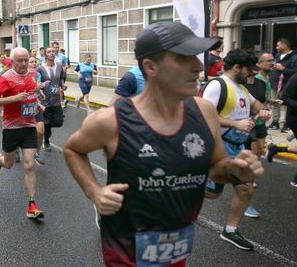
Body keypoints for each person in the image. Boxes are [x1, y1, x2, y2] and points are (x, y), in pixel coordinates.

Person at [63, 22, 264, 266]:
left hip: (178, 244)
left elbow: (216, 166)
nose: (199, 67)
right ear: (150, 67)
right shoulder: (111, 120)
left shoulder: (205, 111)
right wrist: (94, 191)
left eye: (196, 57)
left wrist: (234, 169)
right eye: (183, 58)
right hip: (126, 247)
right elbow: (73, 149)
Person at [202, 49, 271, 250]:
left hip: (237, 149)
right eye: (249, 70)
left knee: (246, 188)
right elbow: (204, 115)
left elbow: (255, 104)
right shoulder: (217, 85)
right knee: (211, 194)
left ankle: (230, 230)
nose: (252, 74)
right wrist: (236, 124)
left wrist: (263, 110)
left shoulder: (241, 88)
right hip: (218, 148)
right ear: (237, 67)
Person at [0, 47, 44, 219]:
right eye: (19, 61)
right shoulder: (6, 78)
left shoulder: (33, 73)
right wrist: (14, 98)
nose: (24, 63)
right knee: (9, 164)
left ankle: (31, 205)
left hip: (28, 126)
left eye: (26, 59)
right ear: (12, 61)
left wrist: (38, 104)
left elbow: (32, 93)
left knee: (29, 164)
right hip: (11, 128)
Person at [37, 47, 65, 152]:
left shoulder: (59, 66)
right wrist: (39, 90)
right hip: (46, 101)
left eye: (53, 51)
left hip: (56, 100)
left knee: (59, 122)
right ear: (45, 55)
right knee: (47, 123)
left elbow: (61, 78)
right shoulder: (40, 68)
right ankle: (46, 141)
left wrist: (62, 85)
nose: (52, 53)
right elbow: (38, 82)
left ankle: (46, 126)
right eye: (49, 52)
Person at [268, 38, 297, 132]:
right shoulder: (278, 55)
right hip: (275, 83)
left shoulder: (294, 57)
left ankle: (286, 124)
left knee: (286, 104)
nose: (276, 47)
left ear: (284, 46)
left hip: (286, 84)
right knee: (275, 103)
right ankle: (275, 122)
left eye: (278, 45)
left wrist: (283, 69)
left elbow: (295, 72)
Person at [28, 55, 46, 165]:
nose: (34, 63)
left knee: (40, 131)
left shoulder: (37, 74)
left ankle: (37, 152)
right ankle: (15, 149)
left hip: (35, 105)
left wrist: (41, 93)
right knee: (22, 133)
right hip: (24, 107)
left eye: (35, 62)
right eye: (31, 62)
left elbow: (36, 90)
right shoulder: (23, 76)